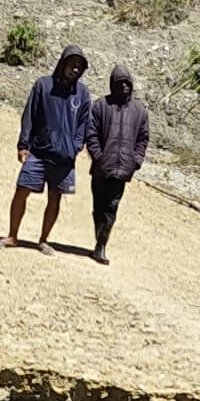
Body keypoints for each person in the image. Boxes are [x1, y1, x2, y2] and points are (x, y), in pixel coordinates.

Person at [2, 46, 97, 251]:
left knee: (55, 198)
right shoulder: (43, 85)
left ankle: (44, 240)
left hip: (64, 158)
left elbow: (84, 123)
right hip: (38, 152)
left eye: (79, 67)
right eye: (71, 65)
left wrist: (75, 146)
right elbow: (29, 115)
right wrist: (23, 145)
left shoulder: (82, 93)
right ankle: (12, 236)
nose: (74, 70)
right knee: (21, 191)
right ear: (62, 64)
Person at [82, 65, 150, 260]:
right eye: (120, 84)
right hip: (101, 168)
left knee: (112, 207)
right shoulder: (101, 106)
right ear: (112, 85)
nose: (124, 88)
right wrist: (99, 156)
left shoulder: (139, 111)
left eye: (127, 83)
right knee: (98, 207)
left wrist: (135, 161)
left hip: (122, 170)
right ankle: (98, 239)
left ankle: (101, 246)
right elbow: (91, 133)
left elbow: (143, 139)